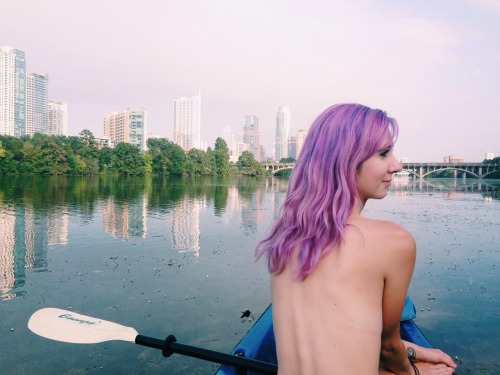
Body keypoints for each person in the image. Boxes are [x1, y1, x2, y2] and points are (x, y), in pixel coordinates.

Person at [255, 104, 457, 375]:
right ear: (347, 159)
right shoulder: (393, 241)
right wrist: (414, 372)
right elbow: (386, 348)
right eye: (384, 153)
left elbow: (337, 338)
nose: (396, 165)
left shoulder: (286, 238)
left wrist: (413, 351)